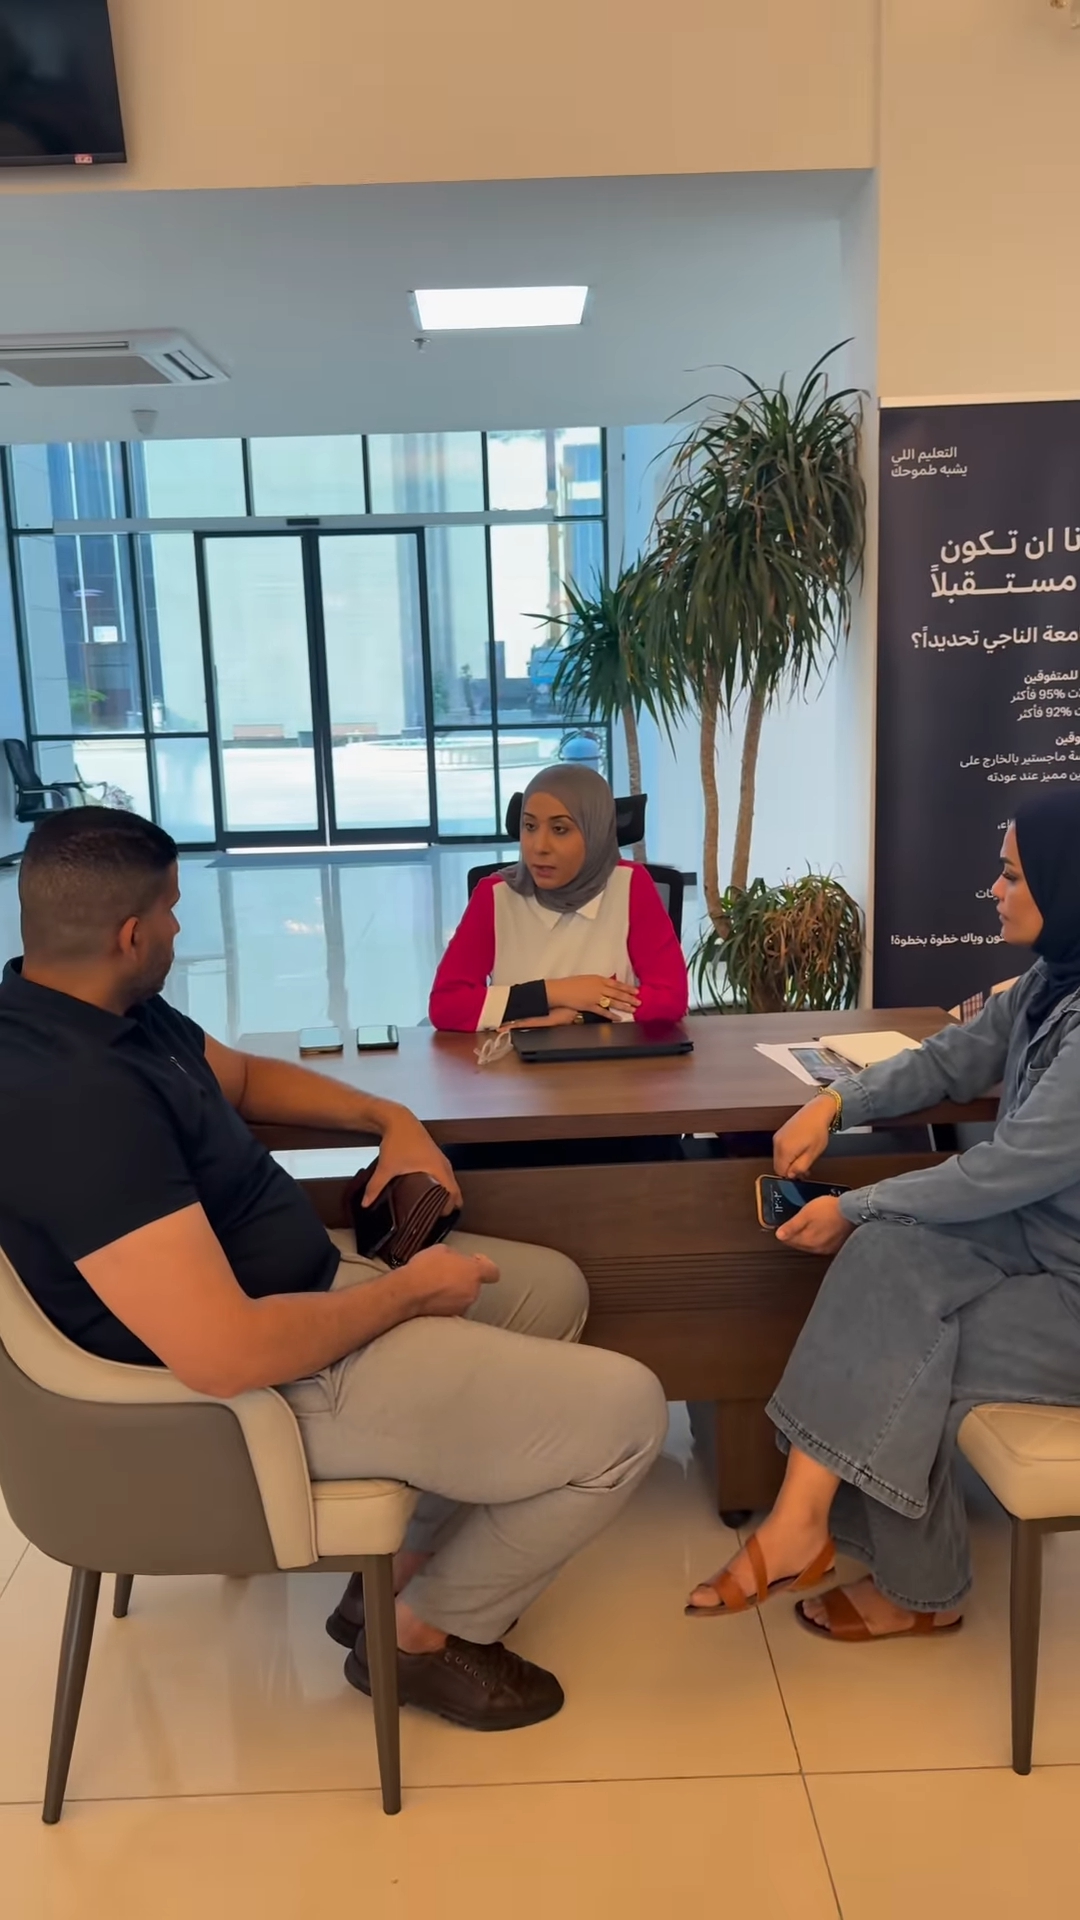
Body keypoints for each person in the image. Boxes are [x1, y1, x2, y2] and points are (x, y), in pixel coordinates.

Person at [0, 809, 668, 1727]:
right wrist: (407, 1293)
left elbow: (237, 1078)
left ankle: (394, 1575)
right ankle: (425, 1635)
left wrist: (390, 1118)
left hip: (305, 1294)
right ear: (130, 934)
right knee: (629, 1414)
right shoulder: (73, 1103)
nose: (180, 928)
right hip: (261, 1389)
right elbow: (227, 1354)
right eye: (172, 911)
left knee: (551, 1291)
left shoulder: (101, 1011)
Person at [686, 789, 1080, 1640]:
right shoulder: (1051, 983)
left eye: (1013, 876)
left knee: (900, 1342)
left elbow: (1003, 1170)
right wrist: (835, 1105)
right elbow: (949, 1059)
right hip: (1034, 1247)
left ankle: (905, 1585)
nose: (995, 890)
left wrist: (854, 1203)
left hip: (1068, 1292)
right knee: (882, 1260)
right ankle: (808, 1529)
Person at [429, 765, 688, 1032]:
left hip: (609, 1055)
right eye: (530, 826)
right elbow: (447, 1005)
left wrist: (576, 1016)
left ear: (595, 832)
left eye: (560, 829)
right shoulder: (495, 895)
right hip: (514, 1056)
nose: (539, 846)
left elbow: (670, 998)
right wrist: (554, 993)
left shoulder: (631, 885)